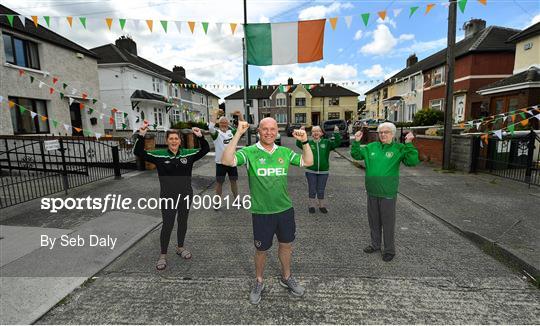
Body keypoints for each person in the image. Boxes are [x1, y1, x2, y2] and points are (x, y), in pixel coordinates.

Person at [221, 118, 313, 305]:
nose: (269, 133)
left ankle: (286, 277)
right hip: (262, 212)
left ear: (277, 132)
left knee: (286, 245)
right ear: (258, 131)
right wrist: (238, 133)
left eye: (272, 129)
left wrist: (304, 141)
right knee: (261, 249)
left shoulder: (284, 152)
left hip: (285, 210)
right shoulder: (250, 152)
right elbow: (226, 160)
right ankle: (259, 281)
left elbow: (308, 161)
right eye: (265, 129)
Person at [134, 121, 209, 270]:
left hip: (186, 195)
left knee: (182, 222)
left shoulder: (189, 154)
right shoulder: (159, 155)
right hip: (168, 197)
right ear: (167, 141)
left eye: (176, 138)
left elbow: (204, 149)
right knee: (167, 224)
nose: (174, 141)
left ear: (180, 141)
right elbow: (139, 152)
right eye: (171, 139)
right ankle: (163, 255)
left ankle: (180, 247)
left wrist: (200, 136)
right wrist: (141, 135)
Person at [350, 122, 419, 262]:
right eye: (381, 132)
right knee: (374, 221)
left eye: (386, 132)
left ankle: (389, 250)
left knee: (387, 223)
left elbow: (412, 161)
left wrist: (409, 143)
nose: (383, 134)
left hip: (388, 193)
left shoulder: (399, 148)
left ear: (393, 134)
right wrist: (356, 141)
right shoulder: (371, 147)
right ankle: (375, 245)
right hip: (372, 192)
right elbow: (356, 155)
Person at [295, 125, 341, 214]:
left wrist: (336, 133)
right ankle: (311, 205)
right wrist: (300, 134)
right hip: (310, 171)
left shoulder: (327, 143)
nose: (316, 133)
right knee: (312, 188)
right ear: (311, 134)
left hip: (323, 171)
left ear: (321, 133)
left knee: (321, 189)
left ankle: (321, 205)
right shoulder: (308, 143)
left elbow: (337, 143)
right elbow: (298, 144)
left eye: (318, 131)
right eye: (313, 131)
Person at [207, 111, 239, 205]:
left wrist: (239, 116)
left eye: (225, 122)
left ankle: (236, 200)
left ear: (228, 123)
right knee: (219, 183)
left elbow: (242, 128)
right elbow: (210, 127)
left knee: (233, 181)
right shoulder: (216, 134)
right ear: (219, 123)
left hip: (232, 162)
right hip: (221, 163)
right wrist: (216, 113)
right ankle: (217, 202)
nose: (224, 124)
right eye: (221, 122)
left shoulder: (231, 132)